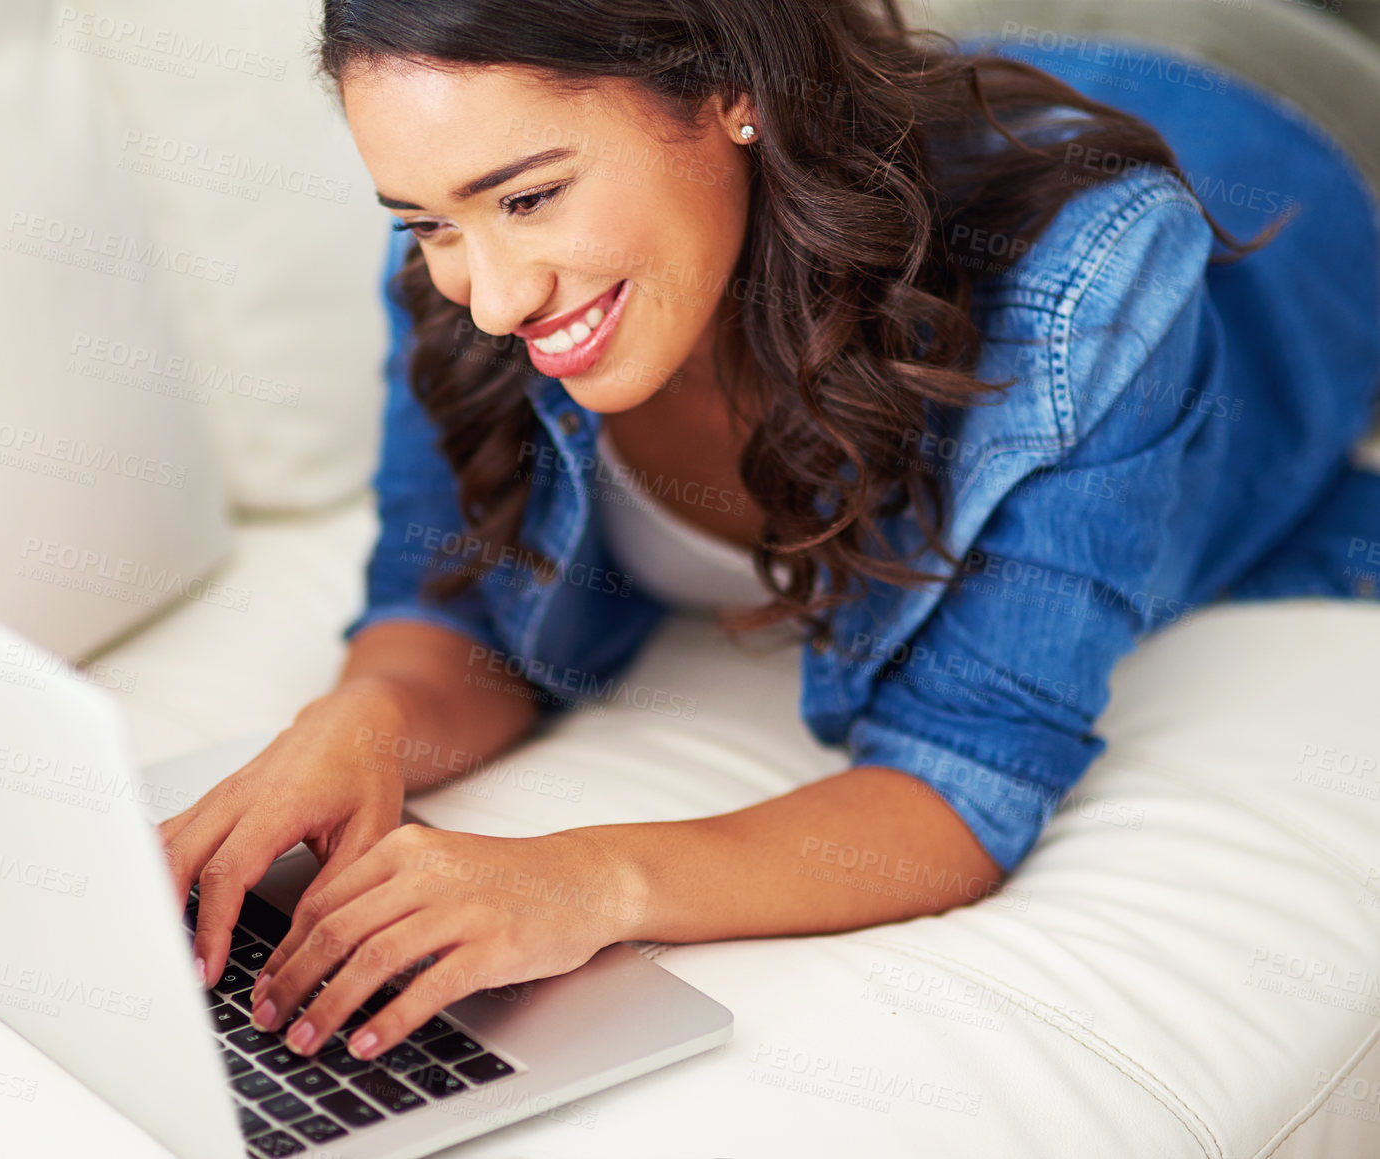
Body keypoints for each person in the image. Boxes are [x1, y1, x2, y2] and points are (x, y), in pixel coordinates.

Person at [158, 0, 1380, 1069]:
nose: (494, 292)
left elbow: (962, 784)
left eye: (529, 197)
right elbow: (449, 609)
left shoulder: (1083, 284)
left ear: (729, 88)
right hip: (946, 75)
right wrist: (354, 724)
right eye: (426, 222)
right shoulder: (469, 275)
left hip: (1273, 108)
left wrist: (585, 879)